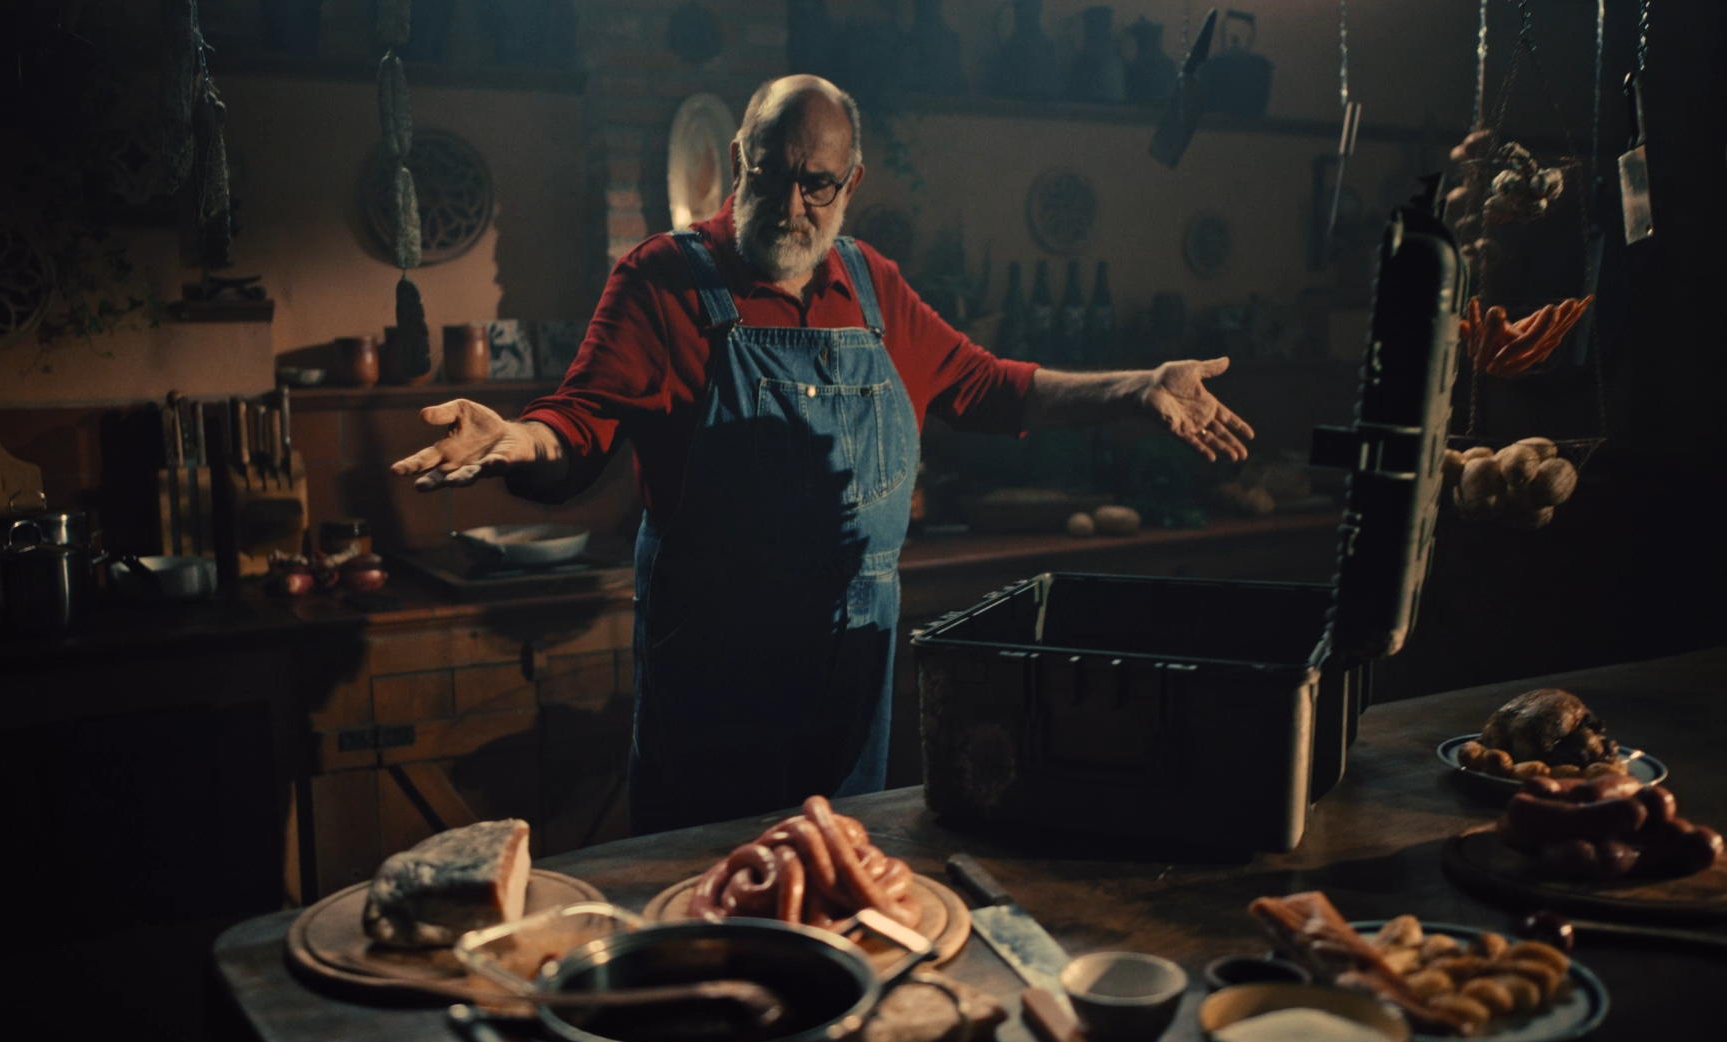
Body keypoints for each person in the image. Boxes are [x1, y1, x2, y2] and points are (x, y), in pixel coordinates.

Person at [393, 75, 1253, 834]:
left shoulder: (875, 286)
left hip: (848, 685)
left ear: (853, 183)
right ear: (739, 157)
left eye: (818, 185)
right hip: (716, 685)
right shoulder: (664, 281)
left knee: (837, 897)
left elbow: (990, 386)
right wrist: (516, 440)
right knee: (708, 912)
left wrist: (1138, 387)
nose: (792, 206)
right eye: (769, 177)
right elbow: (579, 426)